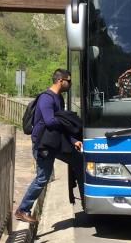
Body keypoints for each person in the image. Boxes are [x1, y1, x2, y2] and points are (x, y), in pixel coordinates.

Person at [15, 68, 83, 224]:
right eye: (69, 81)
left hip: (56, 142)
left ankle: (85, 198)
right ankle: (22, 210)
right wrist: (68, 120)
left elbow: (60, 124)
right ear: (61, 80)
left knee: (78, 160)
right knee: (42, 178)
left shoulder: (59, 99)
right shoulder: (46, 98)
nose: (70, 84)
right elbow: (50, 121)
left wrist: (73, 140)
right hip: (44, 144)